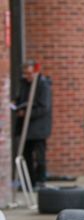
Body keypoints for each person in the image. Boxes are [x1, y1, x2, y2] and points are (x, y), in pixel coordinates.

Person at [15, 59, 52, 189]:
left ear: (35, 72)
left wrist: (26, 113)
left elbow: (44, 107)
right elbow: (21, 99)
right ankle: (30, 182)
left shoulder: (43, 85)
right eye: (25, 73)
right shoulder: (24, 83)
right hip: (25, 128)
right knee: (27, 156)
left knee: (39, 156)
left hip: (38, 127)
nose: (27, 76)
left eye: (29, 73)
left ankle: (40, 180)